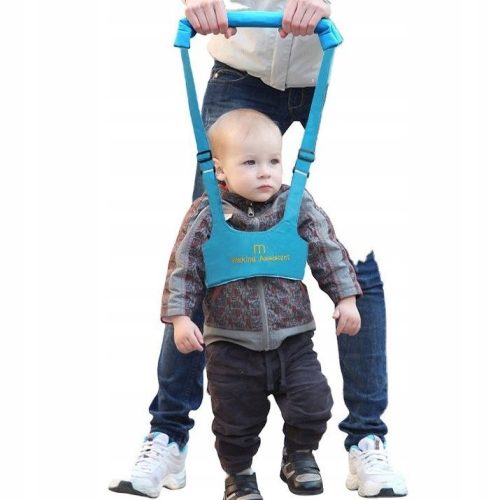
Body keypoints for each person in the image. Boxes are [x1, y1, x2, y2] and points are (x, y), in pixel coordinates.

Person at [128, 1, 407, 498]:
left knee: (358, 255)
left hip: (335, 64)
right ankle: (169, 433)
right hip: (244, 65)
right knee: (208, 248)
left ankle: (366, 437)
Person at [167, 108, 362, 499]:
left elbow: (326, 248)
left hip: (293, 338)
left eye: (274, 161)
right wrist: (180, 317)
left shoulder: (295, 204)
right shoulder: (207, 213)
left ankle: (299, 454)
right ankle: (239, 474)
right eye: (250, 163)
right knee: (235, 420)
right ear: (219, 170)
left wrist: (345, 296)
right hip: (230, 344)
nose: (265, 173)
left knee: (313, 403)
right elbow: (185, 265)